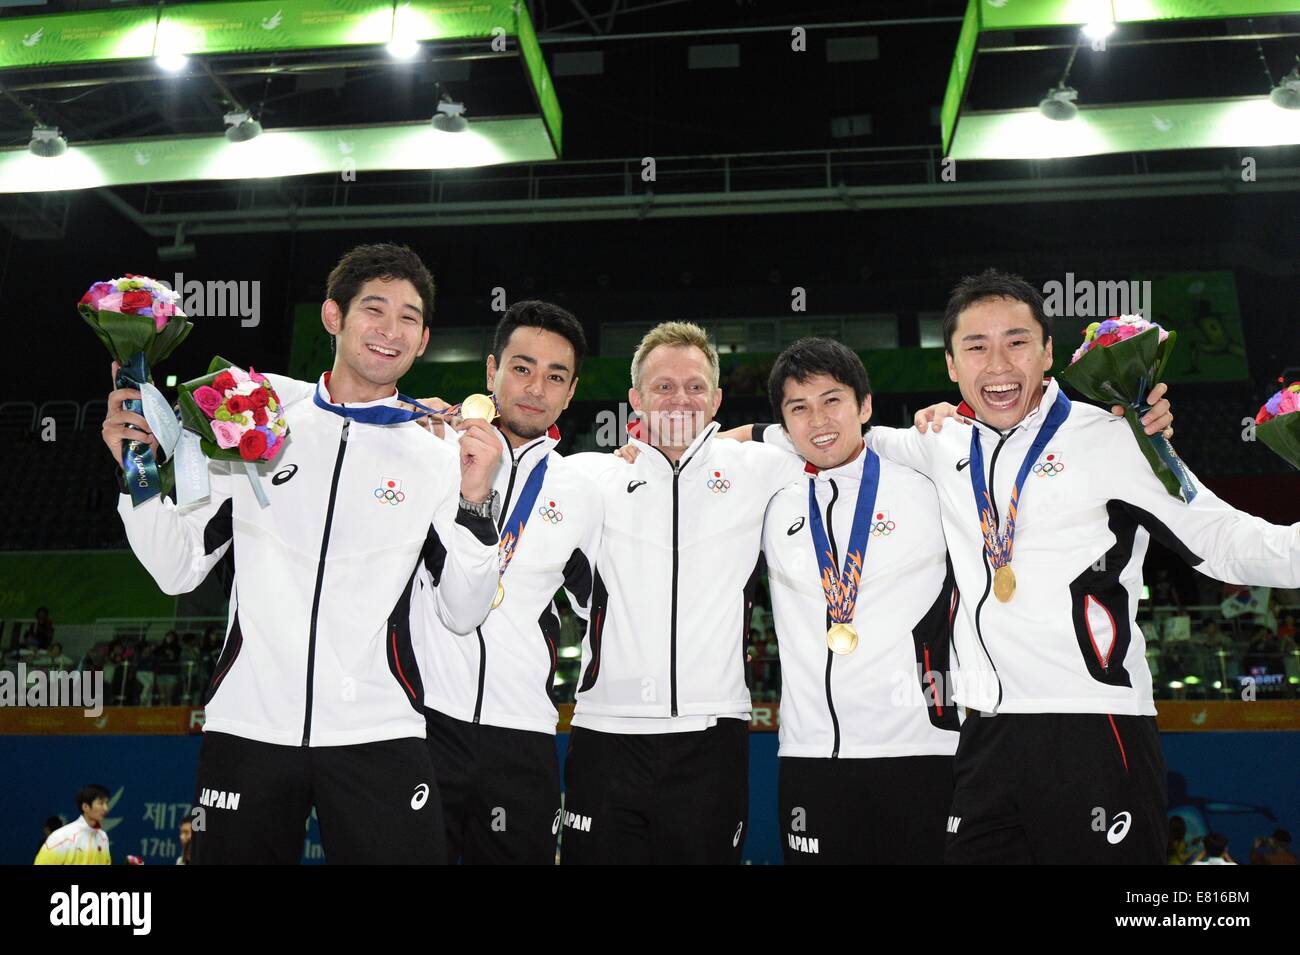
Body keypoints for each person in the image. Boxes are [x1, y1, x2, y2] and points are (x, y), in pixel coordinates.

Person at [863, 268, 1300, 864]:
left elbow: (1221, 539)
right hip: (986, 732)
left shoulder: (1117, 438)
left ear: (1048, 351)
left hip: (1094, 727)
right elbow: (843, 442)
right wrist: (755, 435)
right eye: (976, 346)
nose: (998, 363)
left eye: (1017, 342)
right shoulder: (939, 442)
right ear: (950, 365)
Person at [101, 243, 502, 864]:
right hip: (249, 726)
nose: (391, 331)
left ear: (424, 340)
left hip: (379, 728)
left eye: (409, 318)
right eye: (374, 309)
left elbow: (463, 610)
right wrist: (139, 468)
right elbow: (177, 568)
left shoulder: (440, 454)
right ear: (332, 317)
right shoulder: (250, 418)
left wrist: (476, 502)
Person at [559, 321, 808, 864]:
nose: (680, 399)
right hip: (606, 733)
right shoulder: (589, 478)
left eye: (695, 386)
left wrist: (741, 435)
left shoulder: (760, 470)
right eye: (663, 387)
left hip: (711, 736)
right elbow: (509, 459)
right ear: (635, 401)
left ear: (717, 398)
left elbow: (823, 433)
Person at [411, 300, 602, 864]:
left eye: (555, 376)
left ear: (571, 392)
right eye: (522, 368)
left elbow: (604, 610)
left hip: (522, 735)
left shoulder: (587, 491)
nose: (535, 387)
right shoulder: (429, 449)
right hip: (418, 721)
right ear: (491, 370)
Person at [34, 785, 112, 865]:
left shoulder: (103, 838)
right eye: (101, 803)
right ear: (85, 807)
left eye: (106, 803)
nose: (105, 808)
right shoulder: (62, 837)